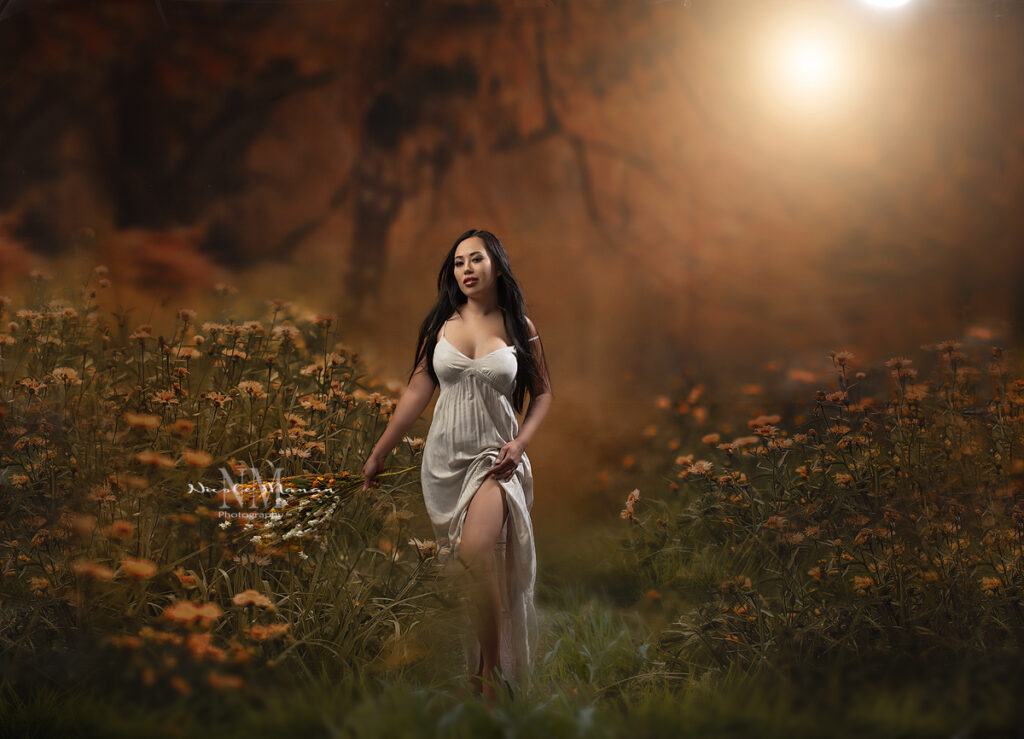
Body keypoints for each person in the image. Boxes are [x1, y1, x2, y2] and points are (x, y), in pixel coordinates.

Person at [361, 228, 553, 707]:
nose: (466, 269)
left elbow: (544, 393)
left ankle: (491, 676)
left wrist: (520, 444)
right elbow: (416, 393)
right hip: (445, 462)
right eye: (458, 262)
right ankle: (483, 671)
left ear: (497, 266)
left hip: (496, 461)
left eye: (476, 259)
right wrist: (380, 452)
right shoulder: (440, 326)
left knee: (473, 557)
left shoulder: (519, 326)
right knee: (468, 572)